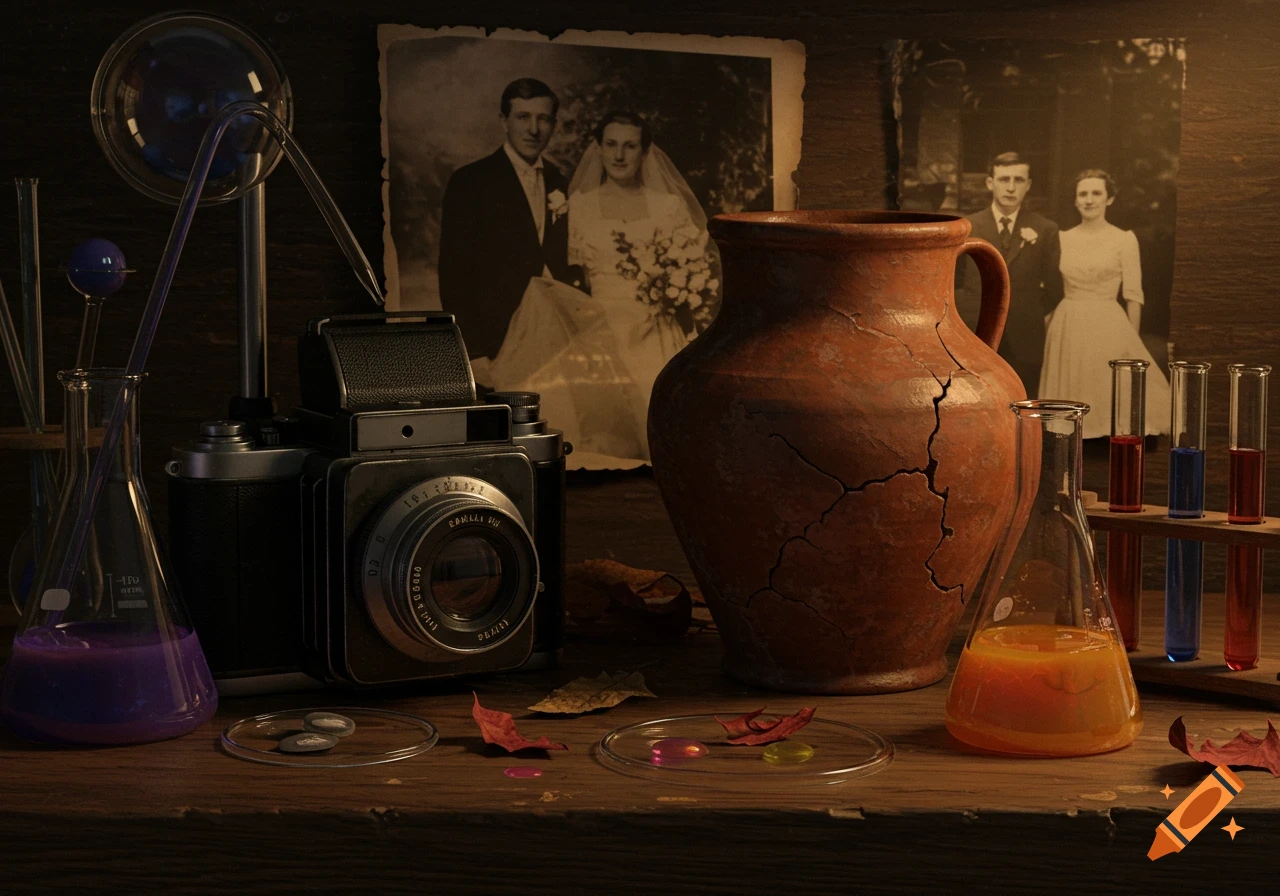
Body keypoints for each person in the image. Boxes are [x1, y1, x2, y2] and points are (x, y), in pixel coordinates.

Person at [488, 110, 715, 468]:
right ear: (598, 148)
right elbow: (567, 276)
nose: (619, 155)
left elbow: (692, 265)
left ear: (644, 152)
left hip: (656, 328)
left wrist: (669, 292)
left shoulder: (667, 206)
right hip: (598, 327)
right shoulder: (579, 205)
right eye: (611, 145)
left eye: (629, 146)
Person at [437, 78, 581, 364]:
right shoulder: (471, 181)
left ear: (553, 124)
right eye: (523, 117)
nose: (533, 129)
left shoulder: (561, 182)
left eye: (543, 119)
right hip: (496, 341)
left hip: (558, 334)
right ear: (504, 121)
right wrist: (473, 352)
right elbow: (455, 274)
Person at [1039, 168, 1170, 438]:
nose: (1089, 200)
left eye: (1096, 193)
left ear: (1109, 199)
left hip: (1108, 322)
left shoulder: (1123, 239)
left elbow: (1133, 295)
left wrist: (1131, 341)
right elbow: (1048, 286)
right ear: (1075, 201)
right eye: (1082, 194)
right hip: (1069, 322)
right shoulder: (1063, 238)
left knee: (1109, 394)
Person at [957, 152, 1063, 396]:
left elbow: (1055, 288)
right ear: (990, 183)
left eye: (1018, 180)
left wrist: (1027, 309)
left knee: (1023, 403)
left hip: (1025, 333)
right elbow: (956, 281)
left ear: (1028, 186)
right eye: (1004, 179)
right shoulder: (968, 226)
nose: (1011, 188)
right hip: (975, 331)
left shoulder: (1045, 229)